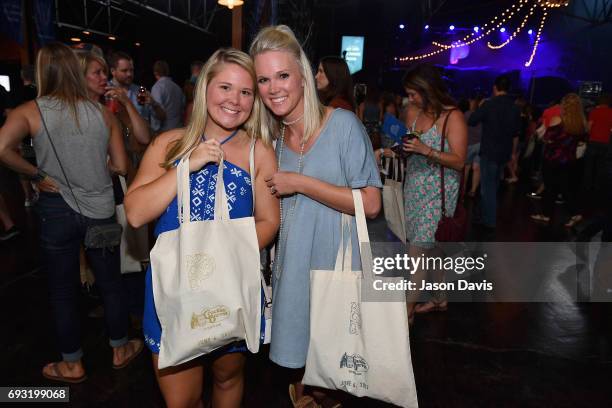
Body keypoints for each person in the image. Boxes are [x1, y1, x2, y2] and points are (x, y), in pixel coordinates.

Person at [124, 48, 279, 408]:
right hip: (174, 289)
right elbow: (134, 213)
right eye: (225, 87)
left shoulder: (260, 152)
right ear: (205, 87)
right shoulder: (169, 143)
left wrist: (222, 257)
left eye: (245, 92)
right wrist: (186, 166)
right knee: (182, 401)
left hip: (231, 284)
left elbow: (270, 220)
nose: (235, 100)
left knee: (228, 378)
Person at [250, 25, 382, 407]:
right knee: (303, 364)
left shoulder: (342, 126)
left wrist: (302, 183)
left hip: (336, 271)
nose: (273, 87)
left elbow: (371, 203)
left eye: (283, 75)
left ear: (303, 76)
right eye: (263, 79)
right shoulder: (272, 139)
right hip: (292, 272)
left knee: (335, 369)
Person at [0, 42, 142, 383]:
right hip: (101, 211)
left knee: (62, 290)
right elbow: (122, 165)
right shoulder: (102, 114)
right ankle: (120, 348)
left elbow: (2, 148)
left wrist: (35, 174)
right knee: (110, 284)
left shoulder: (29, 111)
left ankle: (72, 363)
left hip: (56, 210)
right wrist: (95, 167)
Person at [401, 64, 467, 320]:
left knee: (417, 252)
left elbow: (460, 161)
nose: (410, 98)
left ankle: (406, 314)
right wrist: (401, 148)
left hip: (438, 194)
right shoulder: (412, 112)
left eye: (413, 93)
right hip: (413, 187)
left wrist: (426, 151)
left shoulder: (453, 117)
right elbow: (412, 145)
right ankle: (440, 299)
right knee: (433, 249)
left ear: (427, 90)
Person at [79, 52, 151, 176]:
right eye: (97, 73)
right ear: (80, 77)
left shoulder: (115, 102)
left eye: (104, 72)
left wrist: (127, 103)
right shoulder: (73, 110)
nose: (104, 78)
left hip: (117, 178)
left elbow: (144, 138)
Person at [468, 75, 520, 231]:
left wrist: (479, 106)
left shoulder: (489, 105)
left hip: (489, 151)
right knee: (494, 185)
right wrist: (513, 153)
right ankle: (486, 215)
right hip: (503, 152)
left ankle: (488, 221)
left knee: (487, 187)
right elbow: (516, 133)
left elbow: (472, 121)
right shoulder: (514, 107)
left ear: (495, 87)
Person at [530, 93, 587, 227]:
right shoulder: (581, 122)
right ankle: (572, 214)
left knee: (550, 187)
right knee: (564, 188)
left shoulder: (558, 119)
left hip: (553, 158)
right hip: (569, 160)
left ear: (564, 104)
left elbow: (548, 138)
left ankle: (547, 215)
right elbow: (581, 140)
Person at [109, 51, 165, 128]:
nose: (129, 74)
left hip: (139, 138)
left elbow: (162, 117)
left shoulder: (141, 91)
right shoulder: (105, 89)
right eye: (124, 71)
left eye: (131, 70)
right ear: (113, 71)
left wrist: (154, 104)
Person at [584, 93, 612, 193]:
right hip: (605, 142)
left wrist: (587, 132)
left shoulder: (594, 112)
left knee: (589, 165)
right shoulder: (611, 112)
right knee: (601, 165)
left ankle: (587, 186)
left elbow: (589, 127)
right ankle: (597, 186)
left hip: (593, 141)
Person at [151, 60, 185, 132]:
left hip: (165, 131)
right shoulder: (177, 87)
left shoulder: (157, 87)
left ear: (155, 72)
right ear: (167, 71)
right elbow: (182, 109)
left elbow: (160, 114)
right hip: (179, 129)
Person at [463, 96, 482, 198]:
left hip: (469, 144)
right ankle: (473, 190)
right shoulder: (482, 115)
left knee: (466, 168)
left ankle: (464, 189)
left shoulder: (466, 114)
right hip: (480, 144)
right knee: (476, 168)